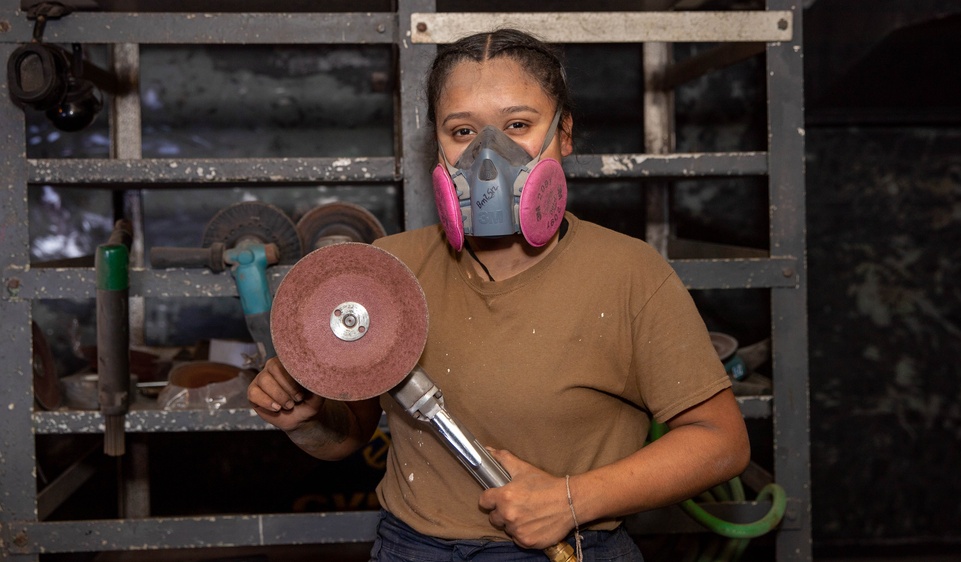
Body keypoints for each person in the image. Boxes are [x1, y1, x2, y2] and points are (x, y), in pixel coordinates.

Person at [248, 29, 750, 561]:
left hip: (574, 546)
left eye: (518, 125)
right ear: (436, 146)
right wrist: (307, 420)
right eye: (463, 130)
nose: (489, 155)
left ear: (565, 134)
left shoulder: (629, 274)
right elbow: (348, 437)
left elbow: (722, 443)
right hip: (411, 547)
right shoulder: (388, 268)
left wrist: (571, 500)